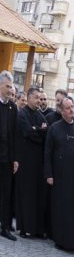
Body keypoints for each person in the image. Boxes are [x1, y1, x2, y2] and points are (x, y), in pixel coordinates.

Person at [43, 98, 74, 252]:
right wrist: (48, 174)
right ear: (62, 111)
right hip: (60, 176)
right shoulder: (54, 128)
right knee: (62, 208)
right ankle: (62, 240)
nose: (71, 110)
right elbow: (48, 153)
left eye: (72, 107)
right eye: (67, 108)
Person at [0, 73, 17, 242]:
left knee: (6, 193)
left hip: (7, 159)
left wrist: (15, 159)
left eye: (11, 87)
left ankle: (4, 226)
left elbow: (15, 135)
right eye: (7, 86)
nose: (10, 90)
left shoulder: (13, 107)